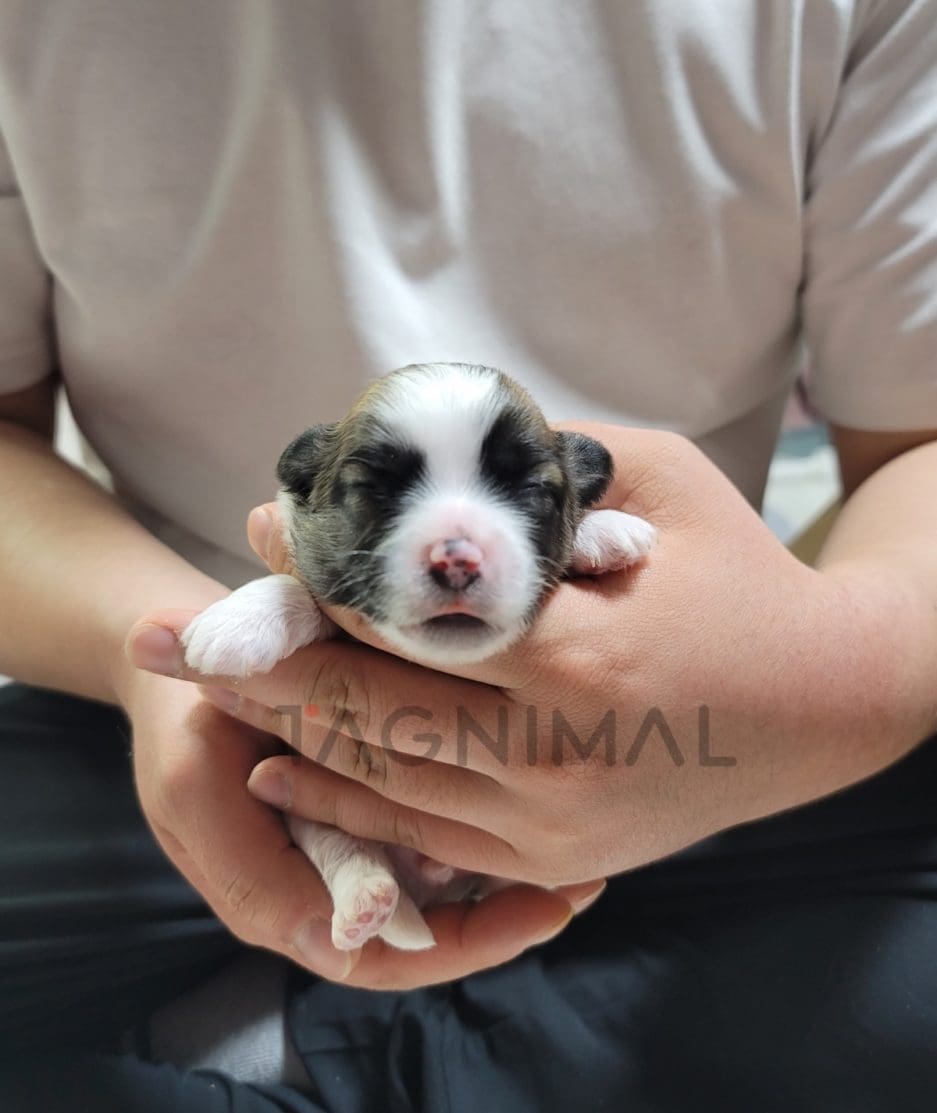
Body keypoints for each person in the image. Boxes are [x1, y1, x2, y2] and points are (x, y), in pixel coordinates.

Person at [1, 3, 936, 1109]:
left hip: (704, 735)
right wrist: (142, 653)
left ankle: (338, 1061)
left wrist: (831, 684)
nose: (451, 547)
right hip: (211, 736)